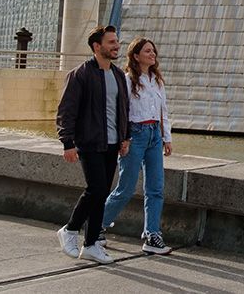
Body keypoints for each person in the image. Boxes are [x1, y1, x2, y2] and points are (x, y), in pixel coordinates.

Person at [55, 25, 131, 264]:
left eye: (116, 41)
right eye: (111, 42)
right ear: (97, 47)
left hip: (111, 143)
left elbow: (123, 109)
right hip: (89, 142)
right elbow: (66, 111)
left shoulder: (118, 75)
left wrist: (124, 137)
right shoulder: (81, 74)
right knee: (96, 189)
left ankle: (90, 245)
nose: (116, 46)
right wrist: (67, 142)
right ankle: (69, 229)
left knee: (102, 194)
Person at [97, 37, 174, 254]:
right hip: (135, 135)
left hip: (154, 136)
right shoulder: (127, 79)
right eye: (148, 51)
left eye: (153, 51)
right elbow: (122, 112)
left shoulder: (157, 80)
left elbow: (163, 111)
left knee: (156, 188)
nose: (153, 54)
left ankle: (152, 236)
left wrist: (167, 138)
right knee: (126, 187)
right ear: (136, 55)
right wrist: (125, 138)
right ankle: (98, 225)